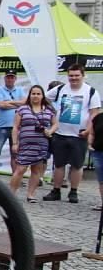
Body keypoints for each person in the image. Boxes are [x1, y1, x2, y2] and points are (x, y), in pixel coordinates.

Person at [44, 64, 101, 203]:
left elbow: (95, 113)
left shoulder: (91, 91)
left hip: (79, 135)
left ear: (83, 75)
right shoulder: (61, 88)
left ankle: (73, 192)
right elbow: (44, 99)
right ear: (68, 76)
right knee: (58, 164)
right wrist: (53, 111)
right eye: (71, 75)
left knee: (77, 165)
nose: (73, 78)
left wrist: (88, 130)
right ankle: (56, 190)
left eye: (76, 75)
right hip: (60, 133)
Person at [9, 85, 57, 203]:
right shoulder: (22, 109)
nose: (35, 96)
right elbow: (15, 127)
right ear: (29, 95)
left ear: (42, 96)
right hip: (25, 144)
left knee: (36, 170)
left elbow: (55, 124)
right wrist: (15, 143)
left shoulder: (49, 110)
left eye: (38, 94)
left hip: (41, 144)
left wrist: (50, 131)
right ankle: (10, 195)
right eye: (33, 94)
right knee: (20, 169)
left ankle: (31, 194)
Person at [0, 69, 26, 174]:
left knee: (15, 153)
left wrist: (9, 102)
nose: (10, 79)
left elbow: (24, 103)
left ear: (15, 78)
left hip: (16, 126)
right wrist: (16, 104)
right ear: (5, 78)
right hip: (1, 126)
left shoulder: (20, 90)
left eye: (12, 77)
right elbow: (1, 105)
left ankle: (15, 176)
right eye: (8, 77)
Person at [89, 110, 103, 211]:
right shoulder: (99, 117)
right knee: (101, 180)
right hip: (97, 151)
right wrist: (89, 144)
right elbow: (92, 133)